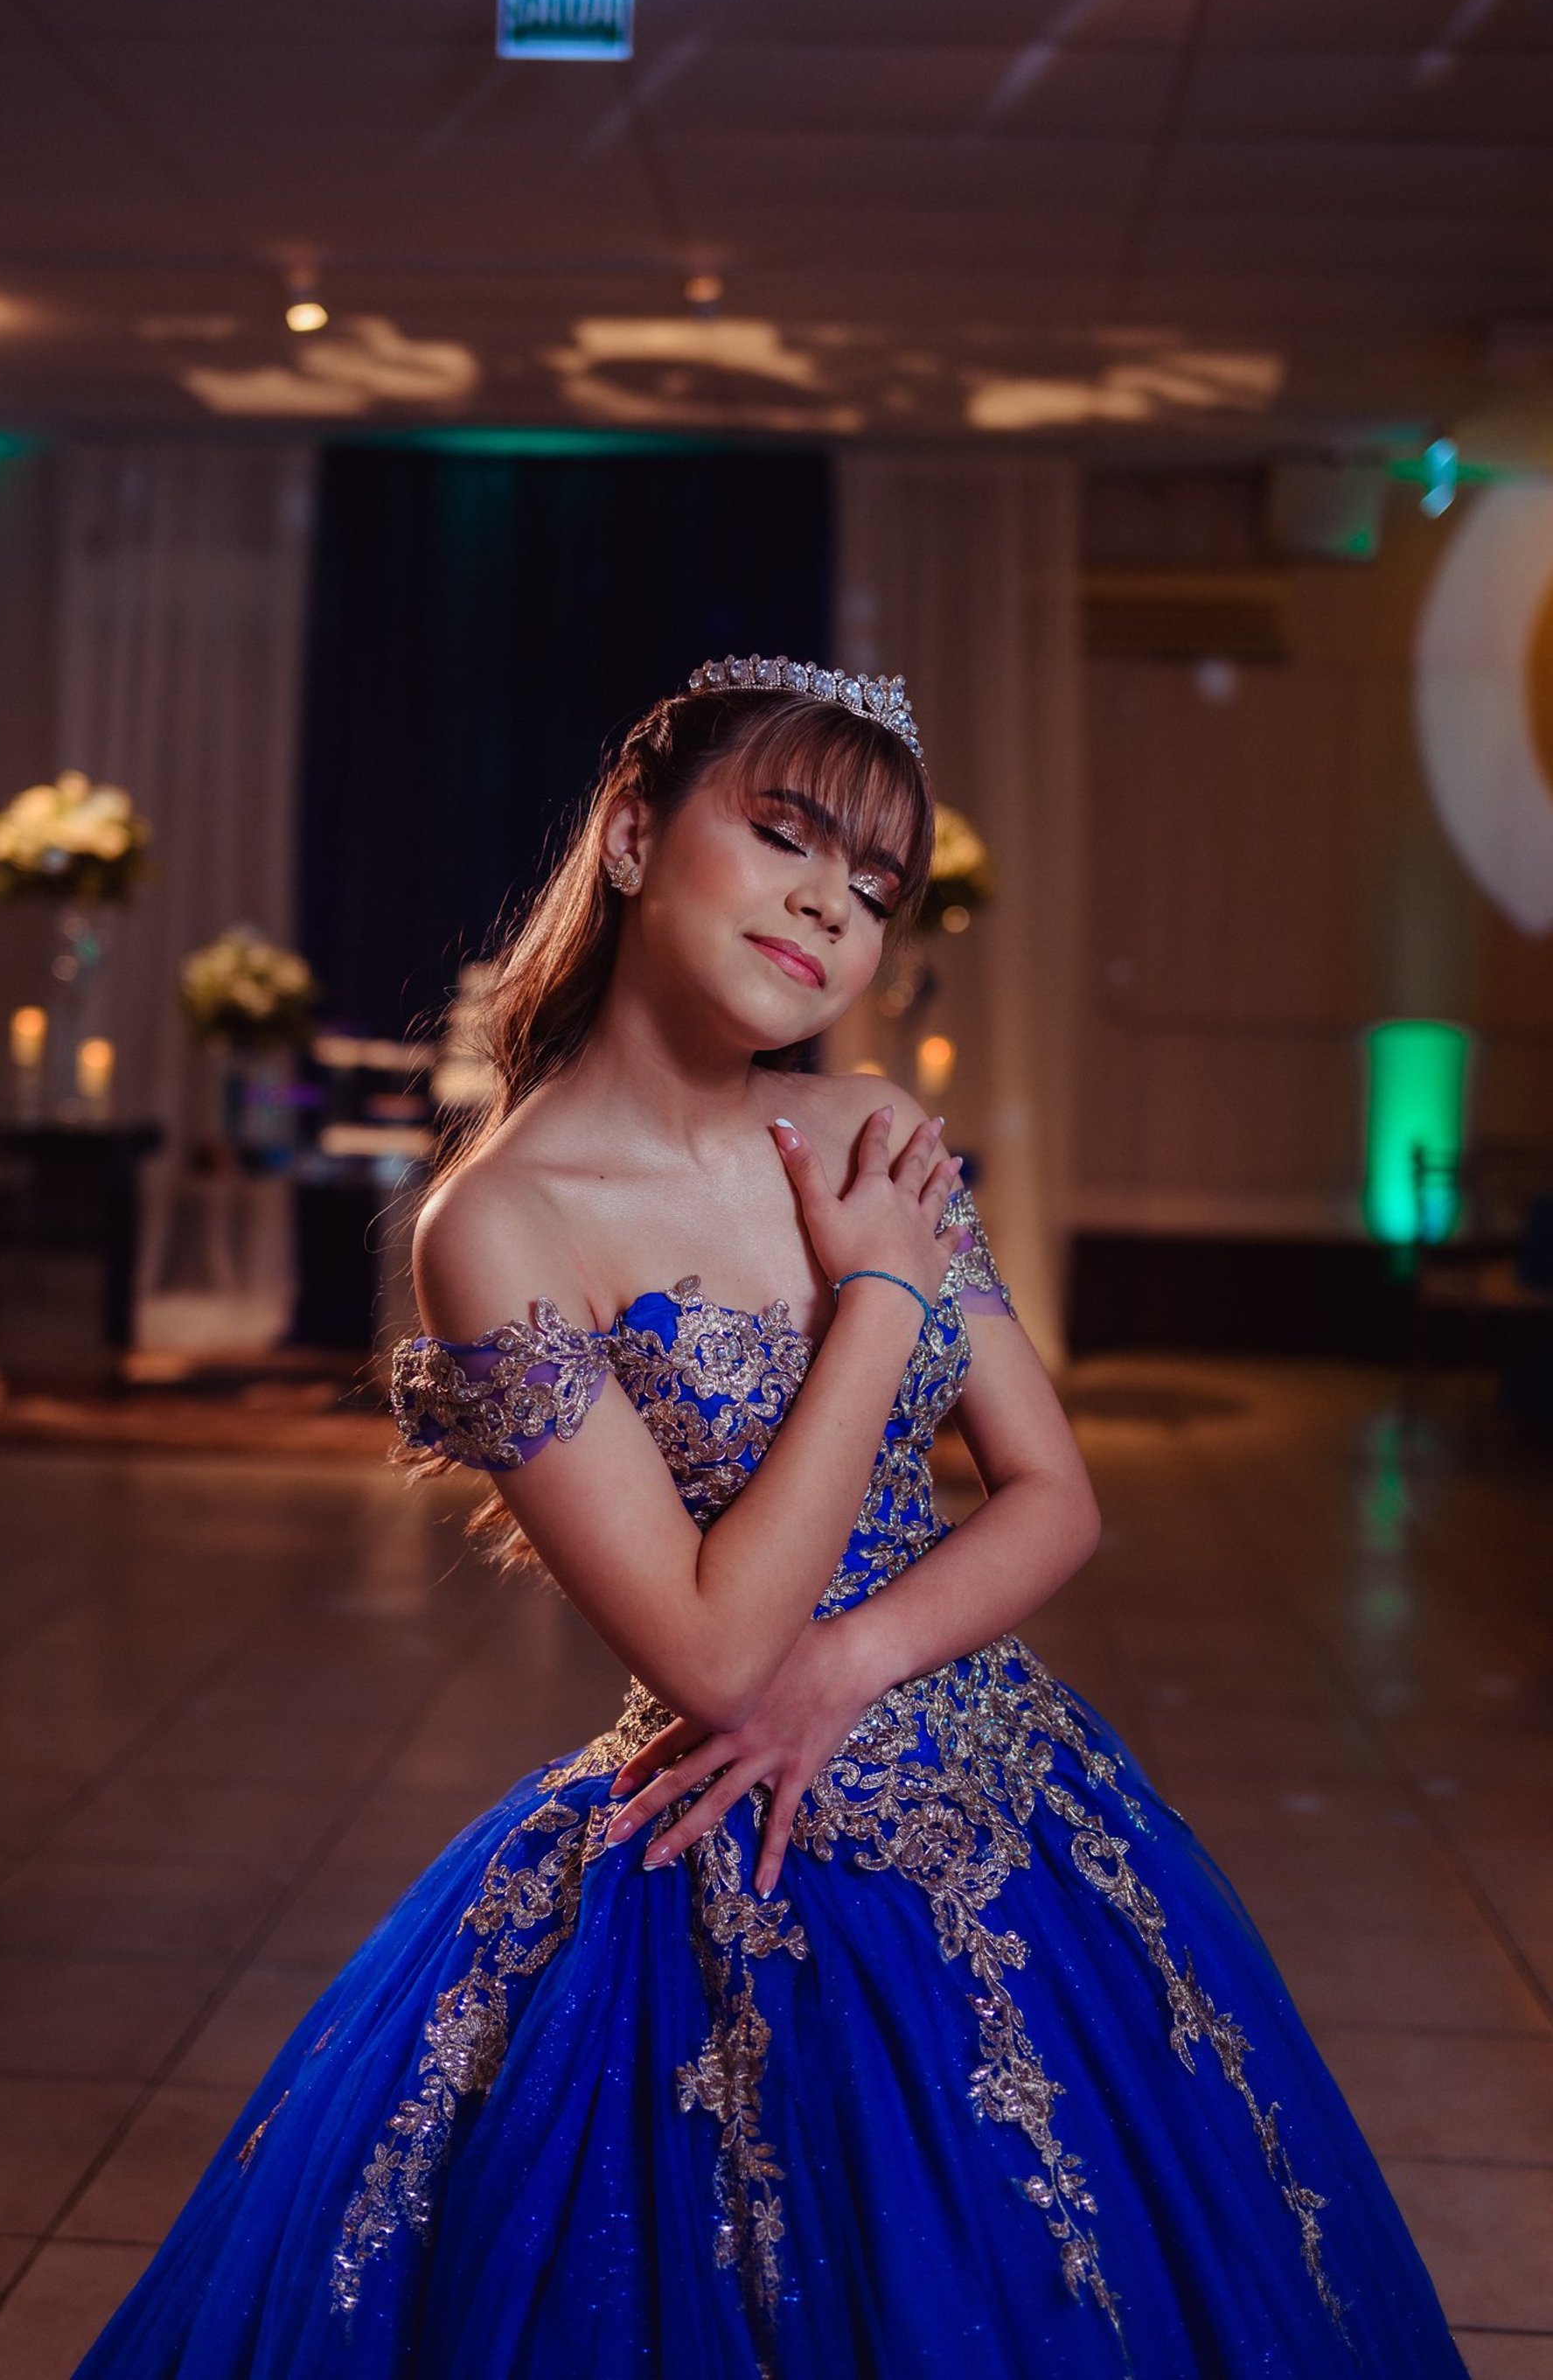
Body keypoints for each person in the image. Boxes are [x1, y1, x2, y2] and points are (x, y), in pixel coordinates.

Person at [74, 654, 1465, 2378]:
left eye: (875, 886)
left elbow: (1055, 1498)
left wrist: (851, 1665)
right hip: (729, 1837)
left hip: (1004, 1790)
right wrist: (878, 1301)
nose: (832, 906)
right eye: (788, 836)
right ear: (639, 836)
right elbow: (718, 1656)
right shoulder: (501, 1224)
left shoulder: (869, 1123)